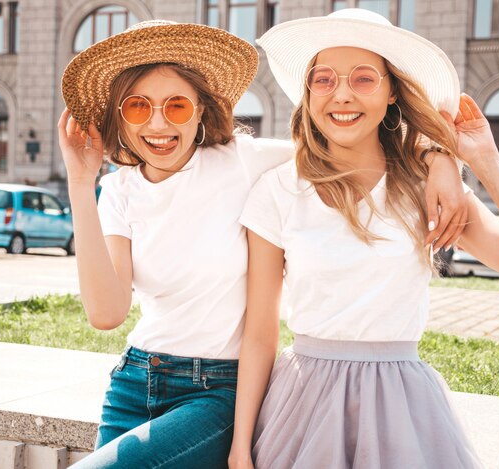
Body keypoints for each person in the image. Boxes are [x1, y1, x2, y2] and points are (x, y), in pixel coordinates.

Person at [58, 18, 469, 469]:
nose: (157, 123)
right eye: (137, 107)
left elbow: (350, 141)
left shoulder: (244, 161)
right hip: (134, 381)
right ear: (120, 116)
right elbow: (107, 313)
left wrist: (439, 156)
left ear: (200, 110)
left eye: (176, 106)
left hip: (217, 390)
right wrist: (81, 183)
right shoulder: (119, 192)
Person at [229, 8, 499, 469]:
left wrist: (481, 161)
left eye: (363, 79)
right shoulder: (279, 189)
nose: (341, 94)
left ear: (391, 93)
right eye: (323, 79)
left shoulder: (425, 189)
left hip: (402, 406)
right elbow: (260, 333)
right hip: (303, 403)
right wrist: (240, 445)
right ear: (307, 95)